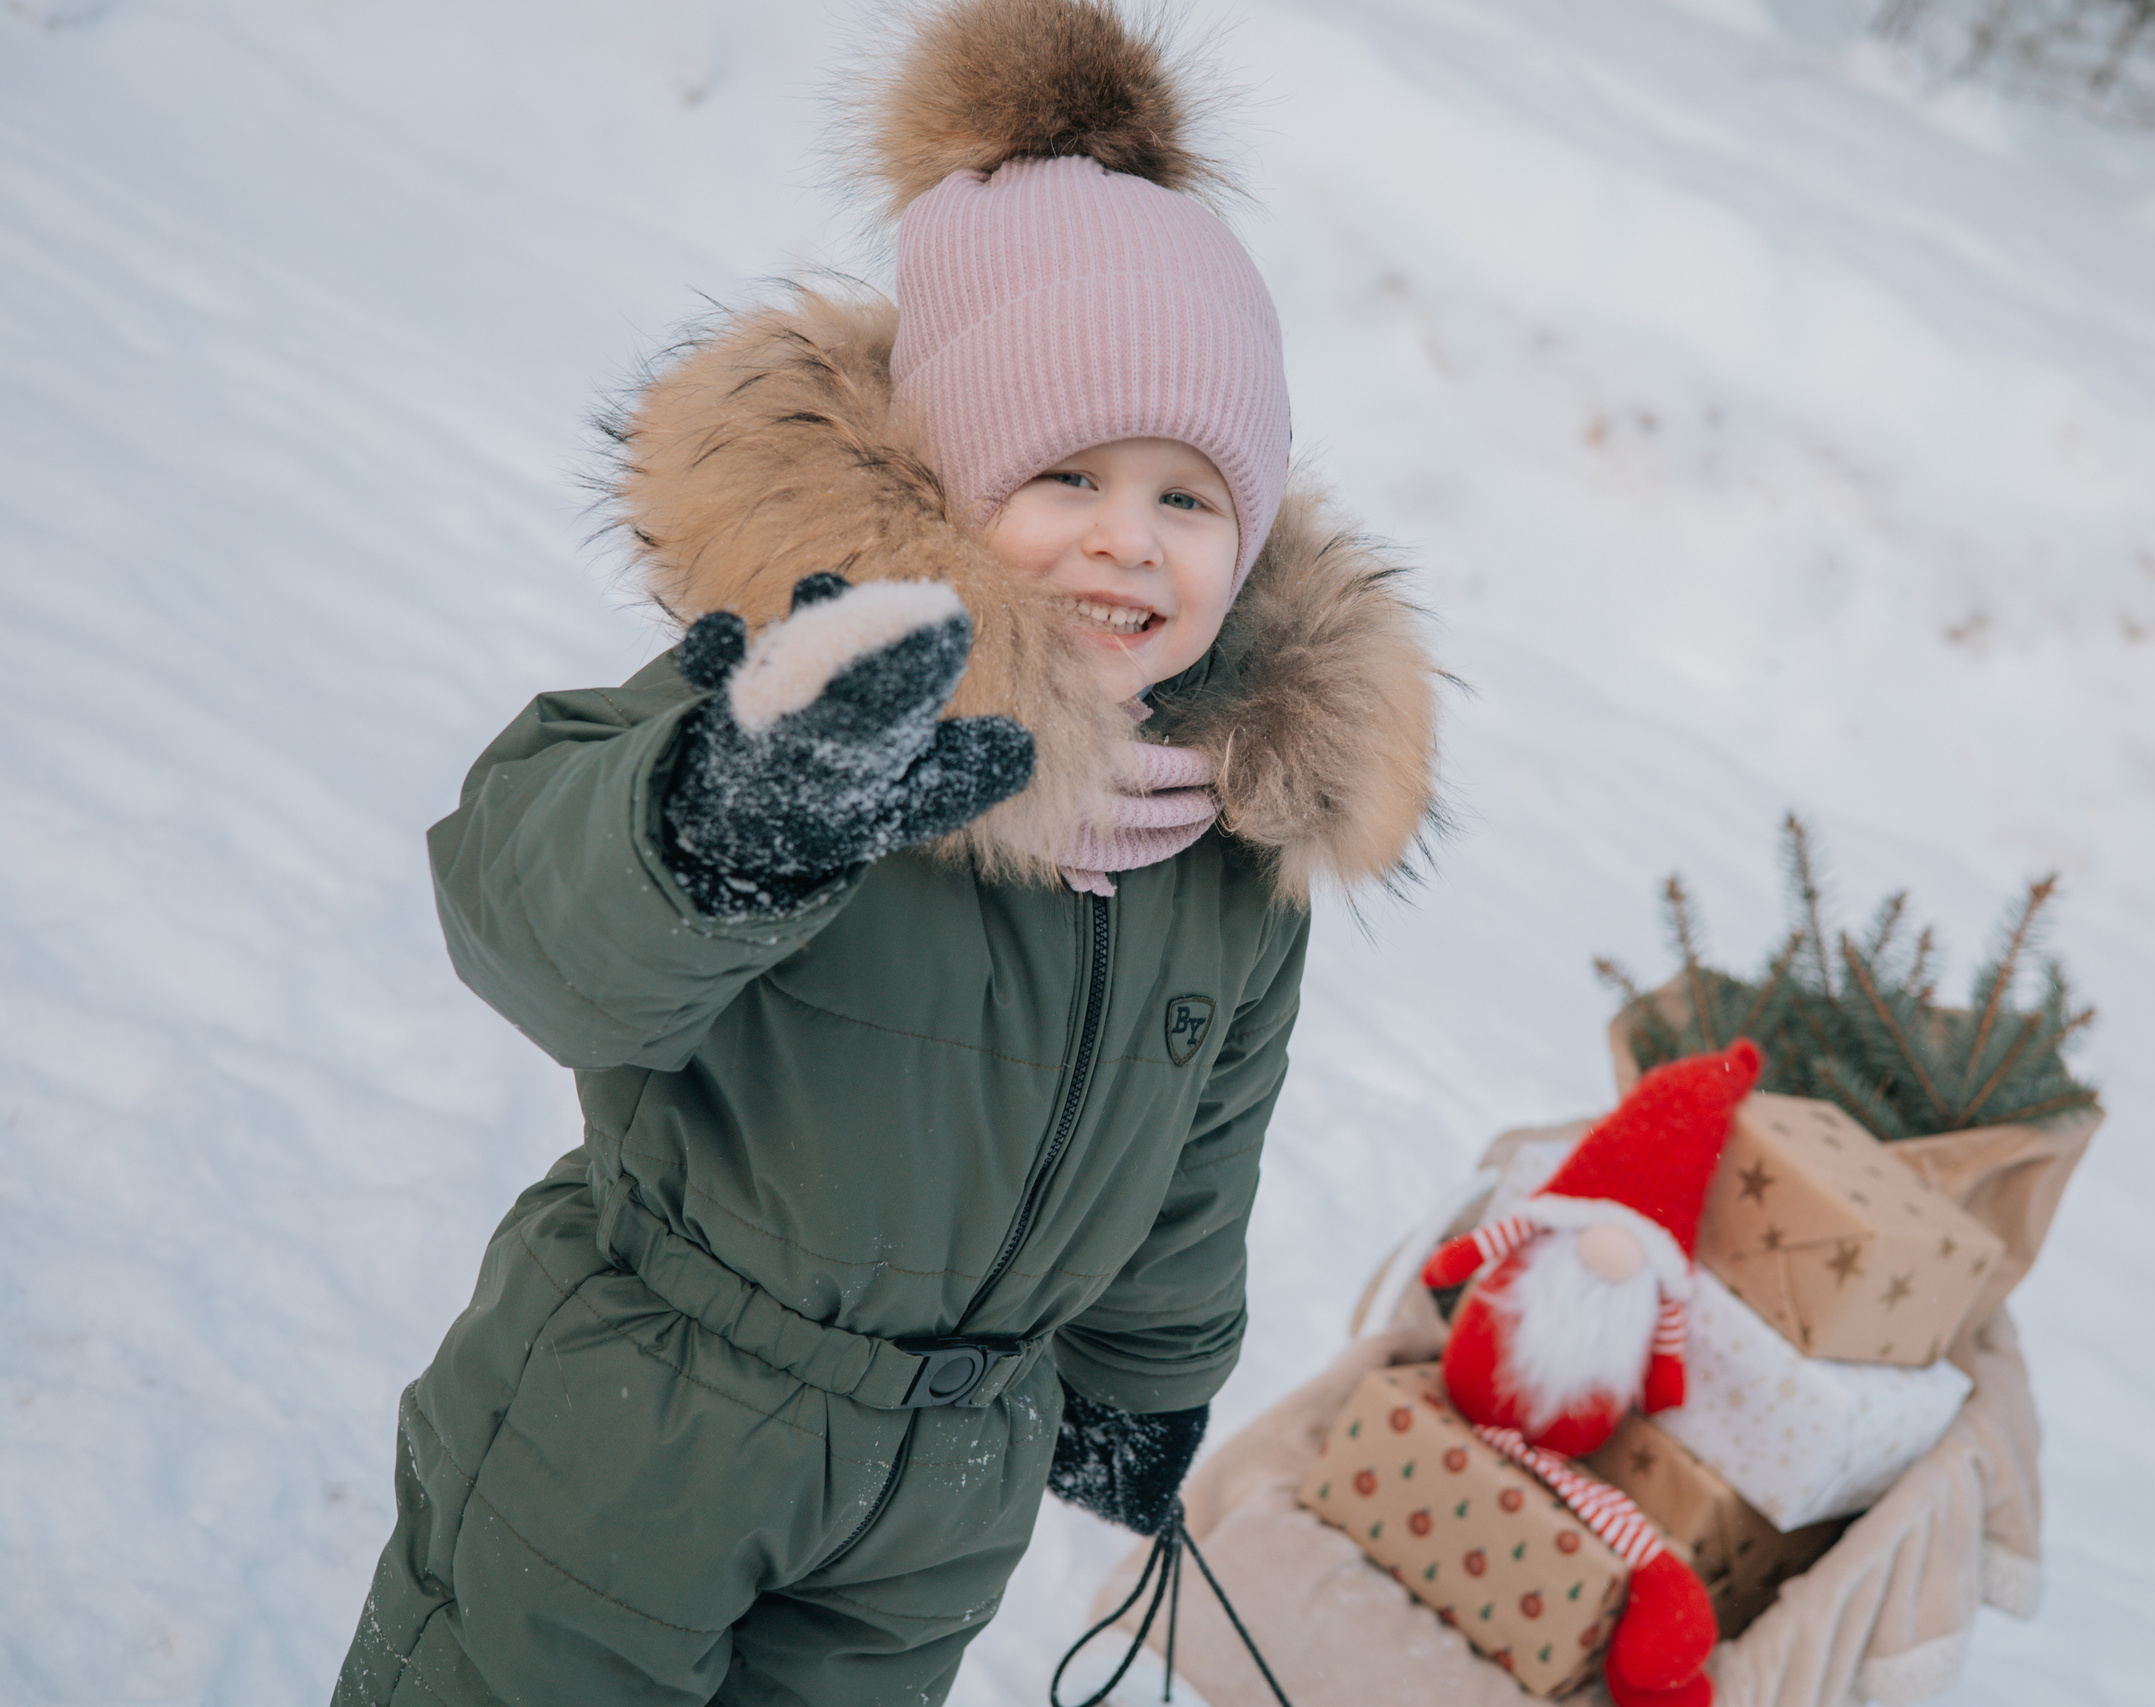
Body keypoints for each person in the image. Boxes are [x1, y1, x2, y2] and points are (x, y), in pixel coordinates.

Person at [330, 2, 1441, 1701]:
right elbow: (524, 912)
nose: (1125, 541)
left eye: (1188, 495)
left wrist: (1144, 1384)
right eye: (1064, 472)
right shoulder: (833, 703)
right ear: (955, 470)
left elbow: (1202, 1141)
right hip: (644, 1415)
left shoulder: (1227, 824)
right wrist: (721, 827)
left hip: (944, 1482)